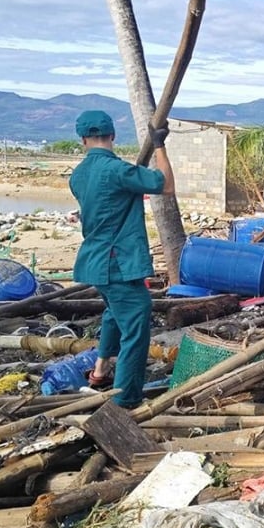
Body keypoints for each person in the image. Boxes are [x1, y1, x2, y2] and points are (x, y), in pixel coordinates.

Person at [69, 110, 175, 410]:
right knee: (136, 326)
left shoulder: (78, 176)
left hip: (95, 262)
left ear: (83, 140)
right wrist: (159, 146)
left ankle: (101, 370)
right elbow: (166, 185)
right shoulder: (118, 171)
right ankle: (125, 399)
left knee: (114, 314)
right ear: (113, 136)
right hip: (117, 263)